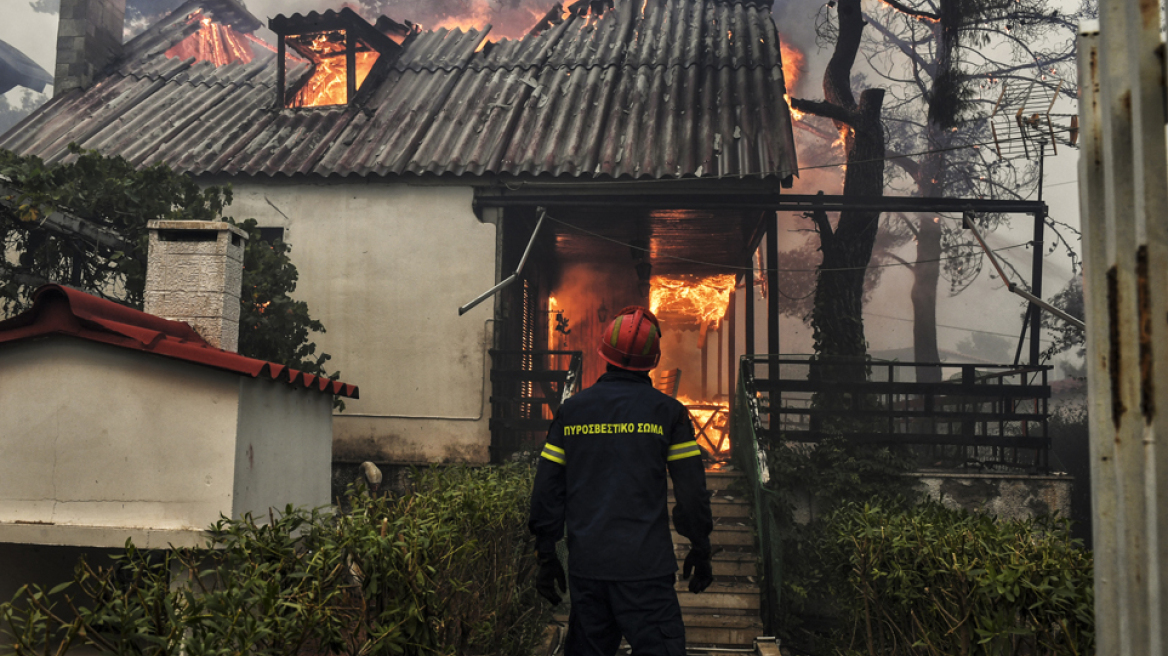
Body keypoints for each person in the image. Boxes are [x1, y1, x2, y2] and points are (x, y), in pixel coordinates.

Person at [528, 305, 714, 656]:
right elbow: (691, 493)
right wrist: (701, 545)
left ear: (604, 353)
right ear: (653, 360)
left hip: (589, 572)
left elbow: (548, 487)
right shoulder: (668, 413)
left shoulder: (572, 412)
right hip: (647, 573)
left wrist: (546, 553)